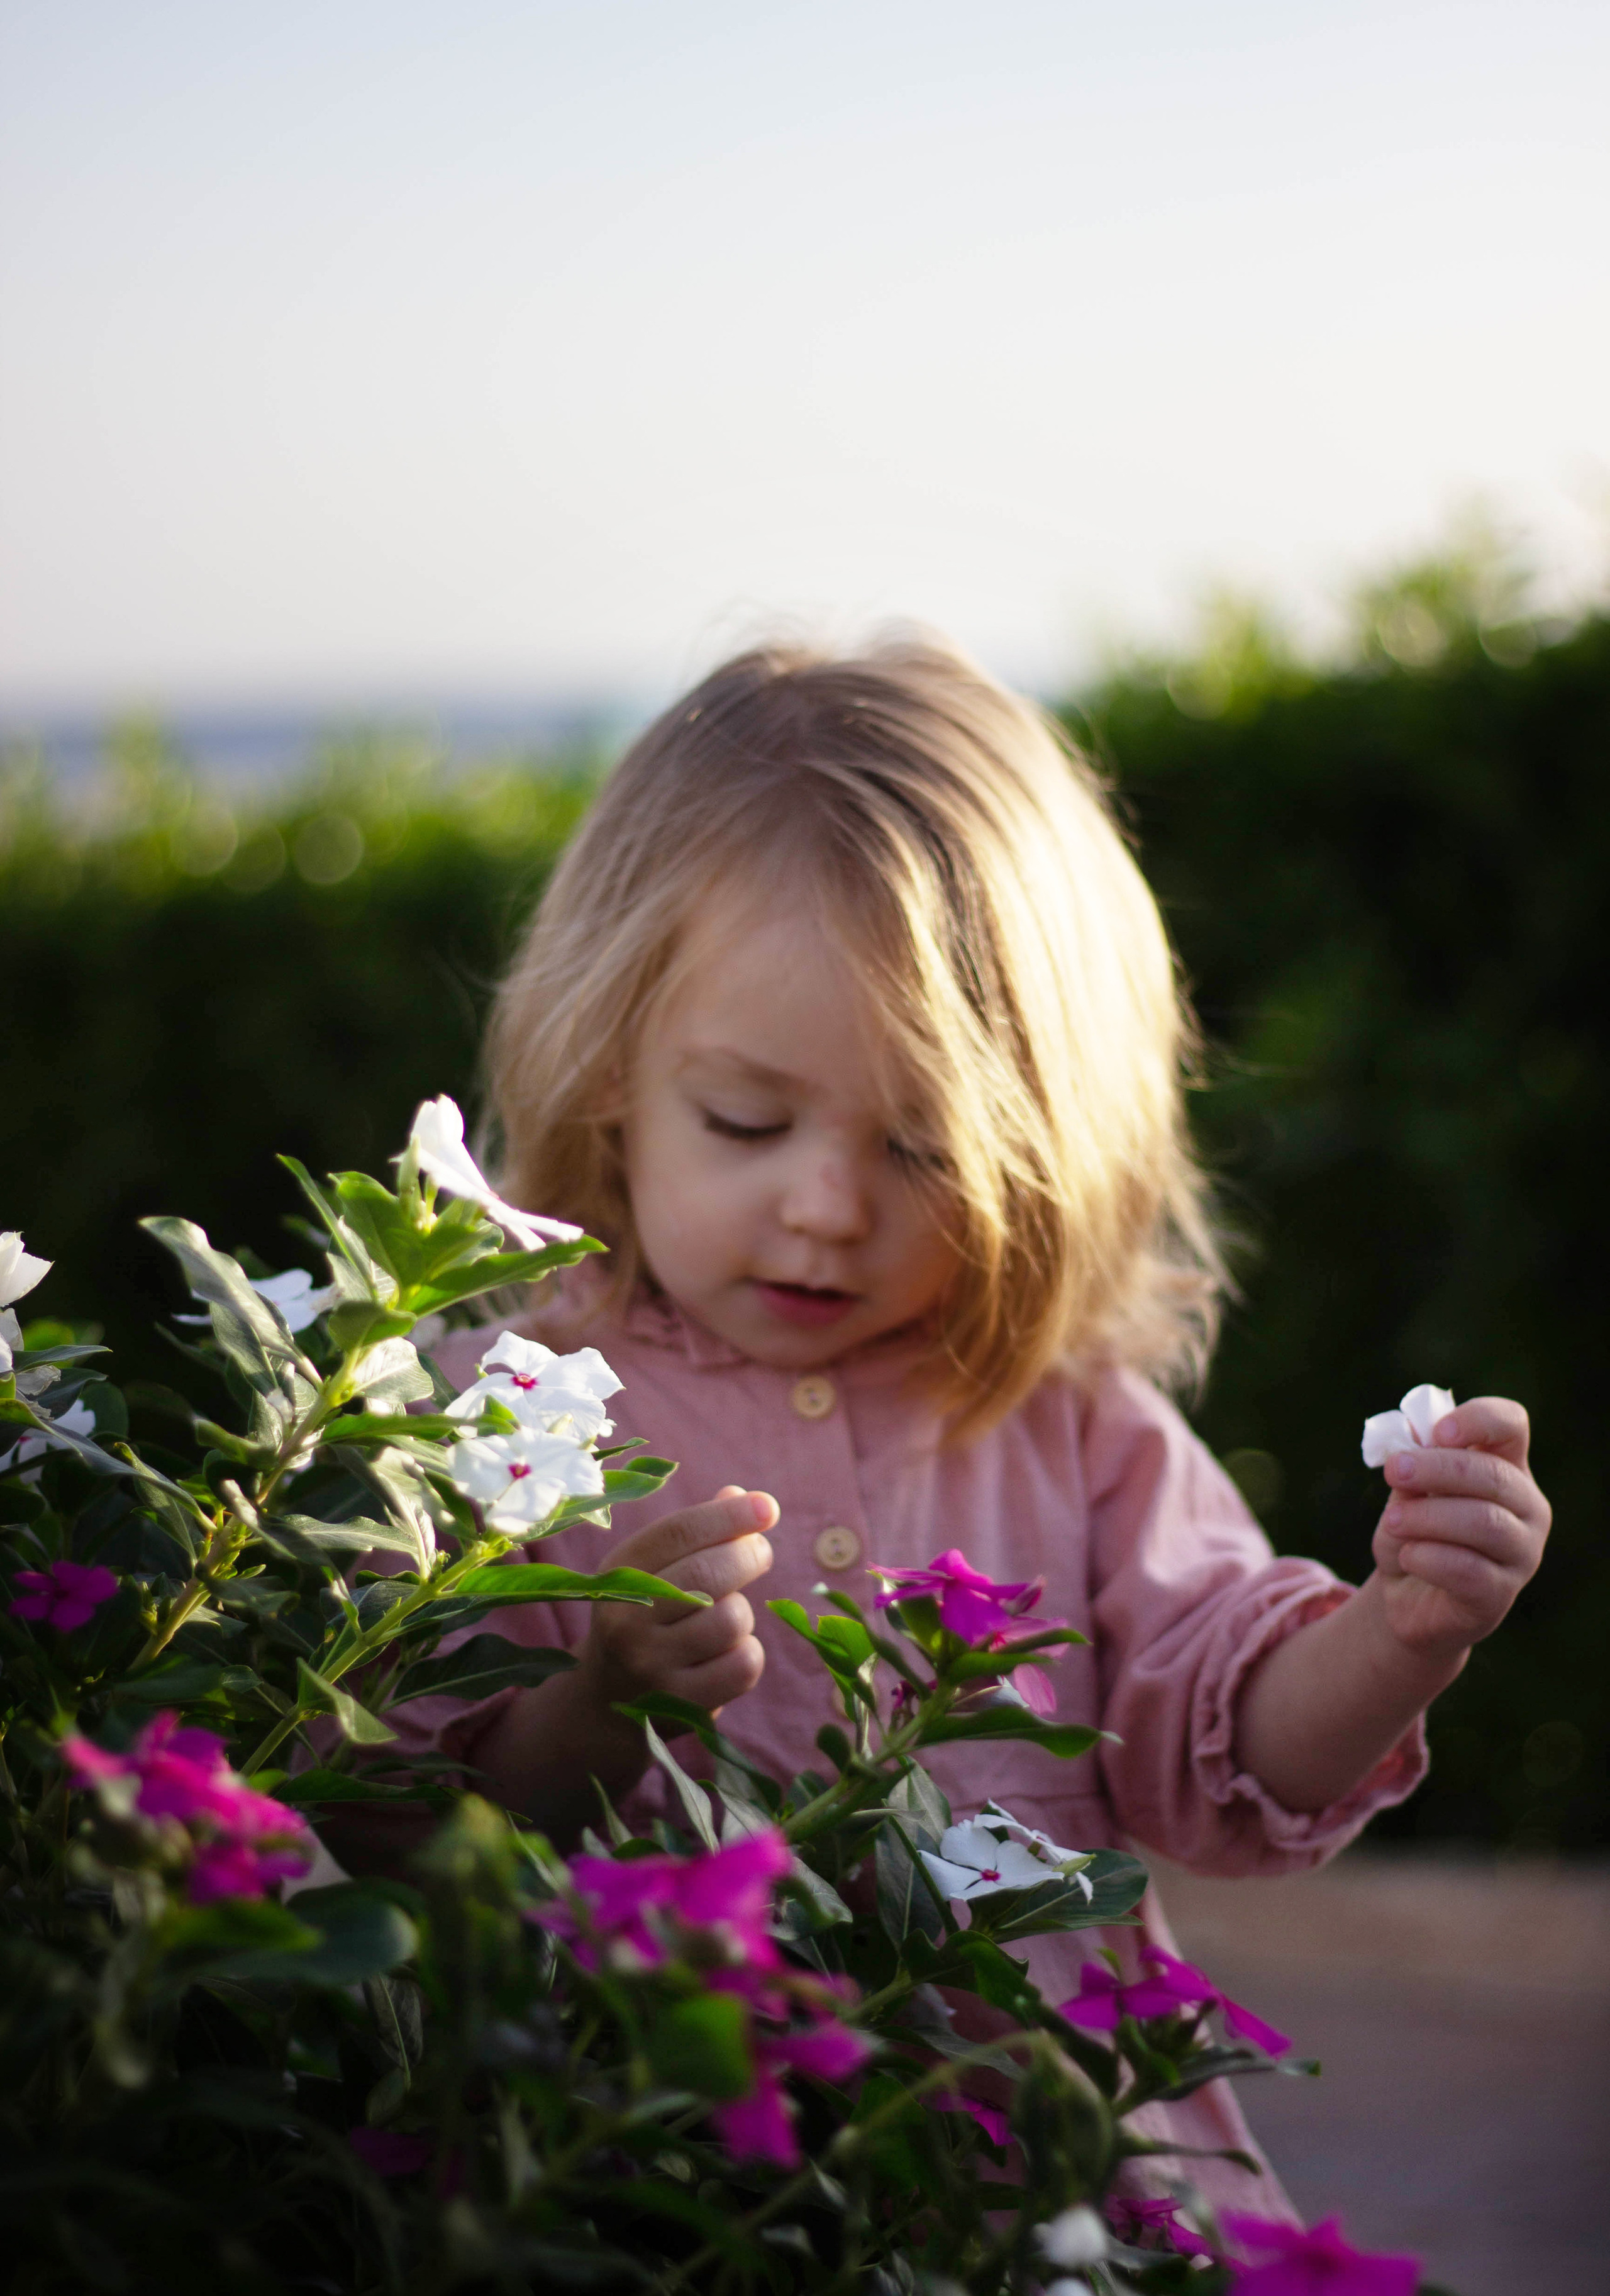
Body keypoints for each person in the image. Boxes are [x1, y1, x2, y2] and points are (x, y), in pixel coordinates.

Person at [391, 636, 1551, 2213]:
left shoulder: (1061, 1419)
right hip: (653, 2215)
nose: (825, 1207)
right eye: (744, 1120)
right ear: (608, 1069)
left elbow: (1221, 1754)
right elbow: (409, 1828)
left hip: (1046, 2211)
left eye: (926, 1148)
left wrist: (1399, 1632)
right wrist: (600, 1703)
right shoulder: (508, 1410)